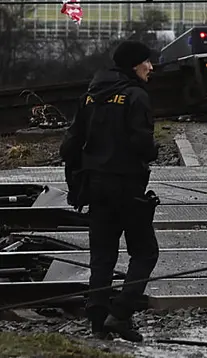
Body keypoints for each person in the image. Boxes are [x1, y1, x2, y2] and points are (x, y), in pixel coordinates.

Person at [59, 40, 161, 343]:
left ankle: (97, 321)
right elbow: (143, 145)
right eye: (147, 62)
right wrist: (152, 149)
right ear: (134, 65)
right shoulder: (136, 97)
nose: (151, 67)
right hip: (128, 187)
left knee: (102, 256)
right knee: (145, 252)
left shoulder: (90, 96)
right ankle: (121, 313)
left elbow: (69, 147)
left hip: (95, 188)